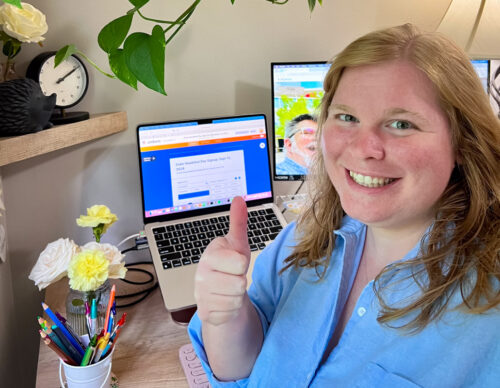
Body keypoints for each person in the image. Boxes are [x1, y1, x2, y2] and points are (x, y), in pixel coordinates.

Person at [188, 23, 500, 387]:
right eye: (347, 117)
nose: (363, 148)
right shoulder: (298, 242)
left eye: (401, 123)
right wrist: (224, 318)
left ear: (462, 142)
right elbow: (241, 371)